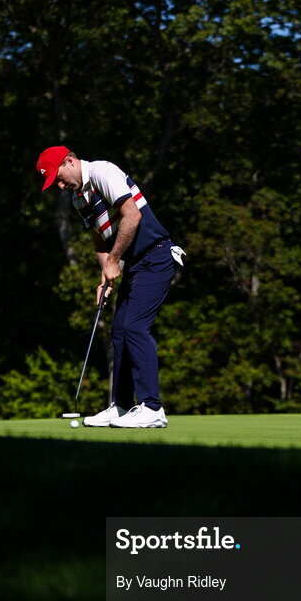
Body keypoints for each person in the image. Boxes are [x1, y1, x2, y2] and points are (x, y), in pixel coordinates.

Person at [36, 145, 184, 428]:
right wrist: (105, 273)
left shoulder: (103, 171)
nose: (59, 184)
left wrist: (114, 260)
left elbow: (132, 215)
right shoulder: (79, 199)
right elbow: (99, 239)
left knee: (135, 327)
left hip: (156, 255)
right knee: (119, 332)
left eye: (59, 176)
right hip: (136, 264)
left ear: (70, 161)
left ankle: (152, 408)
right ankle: (122, 406)